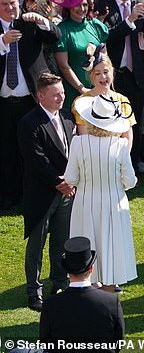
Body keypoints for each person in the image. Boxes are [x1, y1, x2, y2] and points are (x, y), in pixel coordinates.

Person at [65, 74, 138, 291]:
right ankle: (108, 301)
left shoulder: (78, 143)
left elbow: (70, 178)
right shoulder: (121, 146)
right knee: (112, 251)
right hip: (114, 204)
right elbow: (131, 181)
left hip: (85, 205)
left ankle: (90, 298)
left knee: (87, 251)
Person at [0, 0, 61, 212]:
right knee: (6, 149)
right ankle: (9, 194)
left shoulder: (29, 20)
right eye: (4, 4)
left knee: (33, 150)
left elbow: (55, 37)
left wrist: (43, 21)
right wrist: (2, 41)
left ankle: (33, 194)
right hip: (4, 101)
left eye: (13, 3)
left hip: (30, 99)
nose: (11, 8)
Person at [17, 73, 74, 312]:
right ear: (41, 96)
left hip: (65, 194)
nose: (61, 97)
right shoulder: (29, 123)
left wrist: (70, 182)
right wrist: (59, 182)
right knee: (36, 246)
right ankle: (34, 292)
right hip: (41, 195)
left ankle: (60, 283)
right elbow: (35, 159)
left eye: (62, 92)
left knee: (61, 242)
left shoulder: (67, 118)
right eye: (56, 94)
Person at [96, 0, 144, 174]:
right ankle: (111, 163)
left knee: (136, 120)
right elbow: (107, 37)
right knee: (111, 119)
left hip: (137, 74)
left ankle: (133, 162)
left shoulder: (140, 5)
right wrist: (130, 20)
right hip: (113, 75)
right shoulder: (103, 5)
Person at [40, 237, 125, 351]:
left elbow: (45, 345)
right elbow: (118, 342)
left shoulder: (50, 305)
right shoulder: (111, 301)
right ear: (91, 269)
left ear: (68, 271)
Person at [52, 0, 109, 108]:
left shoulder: (95, 25)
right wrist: (81, 88)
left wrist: (106, 83)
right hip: (75, 90)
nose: (81, 8)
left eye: (84, 4)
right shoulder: (63, 30)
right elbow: (63, 65)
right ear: (69, 7)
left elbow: (105, 59)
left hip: (98, 87)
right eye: (77, 5)